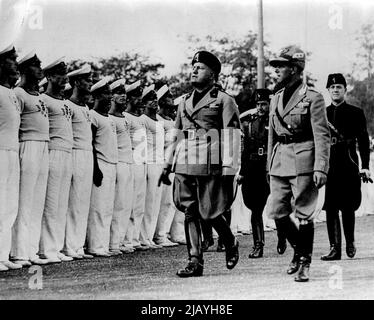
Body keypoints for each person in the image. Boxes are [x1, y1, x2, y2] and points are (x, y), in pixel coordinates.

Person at [159, 50, 241, 277]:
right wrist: (167, 165)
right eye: (193, 67)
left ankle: (229, 239)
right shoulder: (184, 101)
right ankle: (195, 260)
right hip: (185, 163)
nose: (194, 70)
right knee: (190, 211)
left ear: (213, 75)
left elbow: (232, 135)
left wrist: (230, 168)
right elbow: (176, 135)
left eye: (201, 67)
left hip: (210, 163)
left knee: (210, 212)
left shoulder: (224, 100)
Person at [267, 45, 330, 282]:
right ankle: (299, 249)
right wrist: (268, 166)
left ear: (294, 69)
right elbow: (272, 135)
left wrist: (321, 167)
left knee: (304, 213)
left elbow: (321, 135)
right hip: (279, 159)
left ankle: (304, 261)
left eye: (280, 66)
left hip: (304, 159)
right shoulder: (275, 98)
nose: (276, 71)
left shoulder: (313, 97)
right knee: (277, 212)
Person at [321, 73, 371, 261]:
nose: (335, 90)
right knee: (331, 207)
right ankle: (335, 248)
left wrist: (365, 166)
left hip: (349, 162)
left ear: (345, 90)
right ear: (328, 90)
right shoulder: (322, 114)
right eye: (332, 88)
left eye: (339, 87)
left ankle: (350, 241)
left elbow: (364, 141)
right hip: (330, 164)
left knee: (348, 206)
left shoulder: (355, 112)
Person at [10, 51, 50, 266]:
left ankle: (31, 250)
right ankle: (19, 252)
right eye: (35, 65)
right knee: (24, 202)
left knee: (37, 202)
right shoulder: (18, 93)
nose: (40, 68)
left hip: (44, 146)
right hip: (28, 146)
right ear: (25, 69)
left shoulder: (38, 96)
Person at [39, 57, 74, 263]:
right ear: (50, 76)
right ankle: (46, 249)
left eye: (65, 74)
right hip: (52, 153)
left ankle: (56, 247)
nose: (64, 78)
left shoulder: (64, 103)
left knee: (61, 204)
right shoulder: (44, 99)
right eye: (60, 74)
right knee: (51, 204)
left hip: (67, 153)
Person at [63, 64, 94, 259]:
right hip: (74, 154)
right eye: (86, 80)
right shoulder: (68, 106)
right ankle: (68, 246)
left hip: (87, 155)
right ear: (75, 83)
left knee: (83, 202)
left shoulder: (86, 108)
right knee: (72, 202)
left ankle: (77, 246)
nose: (90, 83)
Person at [237, 88, 271, 258]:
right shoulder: (250, 123)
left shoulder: (274, 122)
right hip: (252, 168)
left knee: (274, 206)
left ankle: (281, 236)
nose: (260, 108)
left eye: (264, 104)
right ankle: (258, 244)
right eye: (258, 104)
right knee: (254, 208)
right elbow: (246, 149)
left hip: (268, 168)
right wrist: (242, 172)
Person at [86, 77, 118, 257]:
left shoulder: (109, 118)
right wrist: (96, 168)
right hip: (101, 163)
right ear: (98, 95)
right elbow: (90, 143)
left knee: (107, 208)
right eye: (106, 93)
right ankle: (95, 246)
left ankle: (103, 245)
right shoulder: (93, 115)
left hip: (112, 164)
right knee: (98, 207)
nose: (110, 96)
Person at [0, 44, 22, 271]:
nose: (15, 64)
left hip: (12, 152)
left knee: (9, 206)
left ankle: (2, 255)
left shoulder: (11, 94)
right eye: (11, 60)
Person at [108, 79, 135, 254]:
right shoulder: (109, 117)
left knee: (126, 205)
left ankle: (120, 240)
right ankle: (112, 242)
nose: (123, 96)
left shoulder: (125, 118)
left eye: (124, 92)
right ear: (111, 95)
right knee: (116, 205)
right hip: (117, 163)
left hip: (129, 162)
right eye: (118, 92)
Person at [122, 80, 149, 251]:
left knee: (139, 204)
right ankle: (126, 239)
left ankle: (134, 237)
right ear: (130, 98)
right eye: (137, 96)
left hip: (142, 162)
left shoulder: (139, 119)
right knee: (129, 204)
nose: (140, 99)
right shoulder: (126, 117)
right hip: (132, 161)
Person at [153, 84, 179, 247]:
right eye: (168, 96)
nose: (172, 98)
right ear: (162, 101)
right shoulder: (159, 121)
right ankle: (159, 234)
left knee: (172, 201)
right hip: (164, 163)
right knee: (163, 201)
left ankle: (168, 232)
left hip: (176, 164)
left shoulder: (173, 121)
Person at [139, 85, 164, 249]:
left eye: (155, 98)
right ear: (144, 103)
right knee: (147, 203)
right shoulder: (143, 120)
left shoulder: (159, 121)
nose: (154, 101)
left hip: (160, 163)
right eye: (150, 99)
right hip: (149, 163)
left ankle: (149, 236)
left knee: (156, 203)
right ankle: (143, 237)